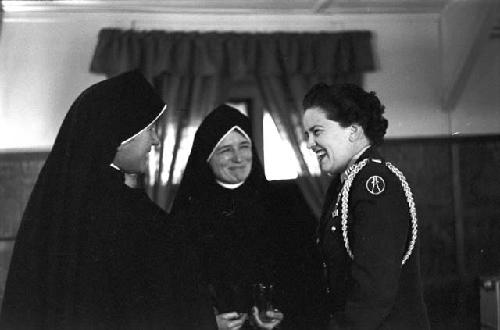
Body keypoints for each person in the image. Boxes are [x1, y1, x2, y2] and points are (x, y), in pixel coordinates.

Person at [0, 71, 215, 330]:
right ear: (119, 133)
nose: (156, 140)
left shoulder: (65, 211)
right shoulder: (121, 214)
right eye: (150, 129)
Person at [302, 83, 430, 330]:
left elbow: (375, 289)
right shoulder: (346, 182)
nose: (310, 143)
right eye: (307, 134)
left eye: (317, 131)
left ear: (353, 130)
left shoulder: (375, 183)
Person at [170, 105, 284, 330]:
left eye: (244, 147)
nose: (238, 158)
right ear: (207, 157)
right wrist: (207, 322)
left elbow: (297, 279)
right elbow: (177, 289)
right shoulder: (187, 216)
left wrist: (275, 313)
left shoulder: (280, 207)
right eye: (225, 150)